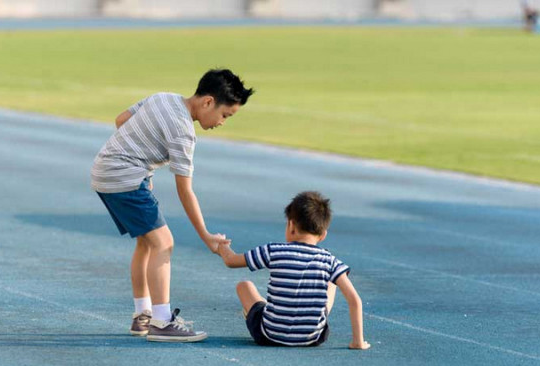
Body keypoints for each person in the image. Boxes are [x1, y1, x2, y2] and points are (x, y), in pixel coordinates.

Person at [91, 69, 254, 342]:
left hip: (105, 170)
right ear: (208, 102)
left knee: (147, 243)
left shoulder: (163, 98)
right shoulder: (184, 133)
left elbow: (121, 121)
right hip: (123, 177)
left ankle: (142, 315)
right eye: (225, 115)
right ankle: (162, 321)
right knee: (163, 243)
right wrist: (206, 236)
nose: (223, 122)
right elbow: (185, 190)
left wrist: (142, 165)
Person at [217, 191, 370, 349]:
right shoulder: (329, 260)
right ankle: (308, 319)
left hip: (269, 334)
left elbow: (231, 261)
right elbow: (354, 300)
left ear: (291, 225)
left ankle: (263, 312)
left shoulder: (274, 250)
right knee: (332, 283)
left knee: (245, 286)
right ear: (323, 235)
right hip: (312, 338)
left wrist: (222, 246)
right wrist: (357, 341)